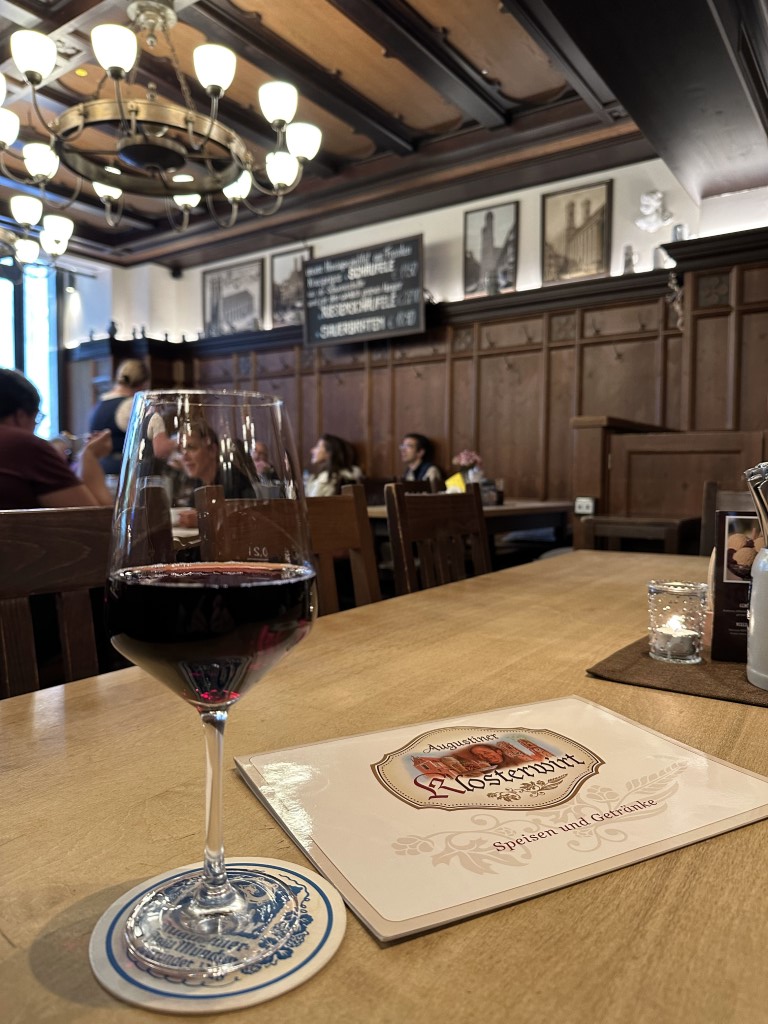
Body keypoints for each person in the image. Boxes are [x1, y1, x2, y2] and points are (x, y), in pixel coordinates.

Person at [0, 368, 114, 509]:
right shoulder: (24, 445)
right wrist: (89, 456)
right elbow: (92, 517)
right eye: (37, 418)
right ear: (20, 416)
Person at [89, 359, 174, 475]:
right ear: (144, 383)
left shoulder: (100, 404)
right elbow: (161, 449)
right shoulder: (132, 406)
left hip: (99, 473)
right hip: (126, 477)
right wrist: (179, 442)